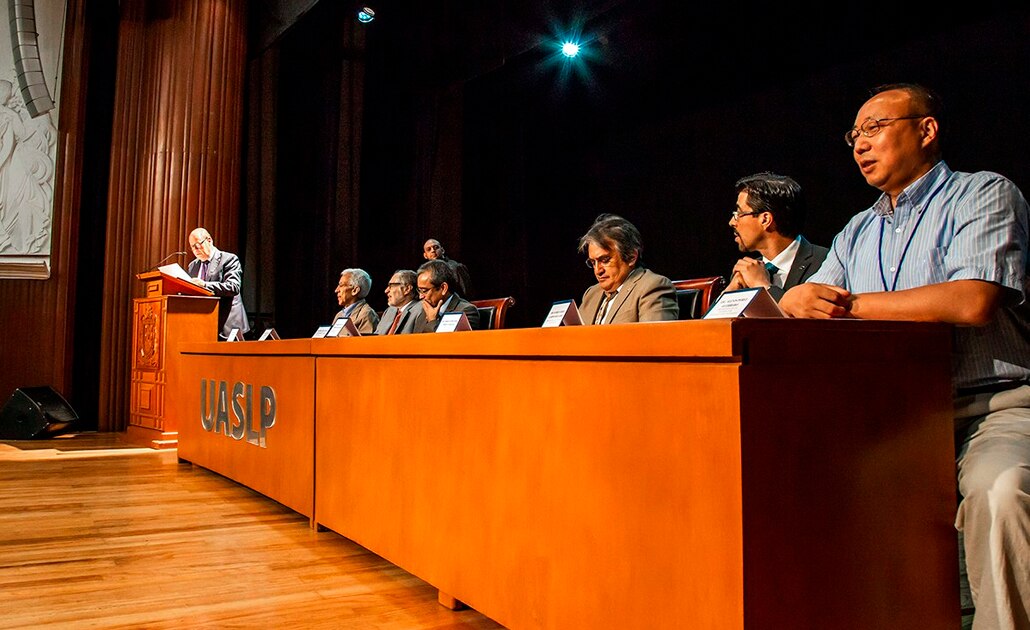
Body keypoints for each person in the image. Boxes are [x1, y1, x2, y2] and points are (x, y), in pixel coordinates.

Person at [779, 83, 1030, 630]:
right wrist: (794, 299)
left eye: (874, 128)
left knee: (1003, 491)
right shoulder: (855, 231)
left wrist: (851, 305)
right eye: (853, 136)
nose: (859, 145)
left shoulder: (983, 193)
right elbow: (811, 306)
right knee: (802, 492)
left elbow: (972, 299)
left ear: (926, 129)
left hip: (990, 403)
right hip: (894, 419)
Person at [724, 172, 828, 300]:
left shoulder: (824, 262)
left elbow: (808, 318)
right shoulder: (747, 271)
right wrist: (729, 293)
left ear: (765, 219)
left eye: (739, 214)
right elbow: (714, 321)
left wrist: (763, 286)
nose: (732, 222)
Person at [578, 213, 678, 324]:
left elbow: (654, 339)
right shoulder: (591, 294)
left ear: (631, 257)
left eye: (605, 260)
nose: (598, 270)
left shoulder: (652, 287)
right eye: (593, 262)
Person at [187, 227, 249, 340]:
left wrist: (205, 285)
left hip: (229, 326)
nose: (195, 250)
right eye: (192, 247)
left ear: (209, 240)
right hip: (204, 325)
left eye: (198, 244)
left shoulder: (229, 259)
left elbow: (233, 287)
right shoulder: (193, 266)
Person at [411, 259, 479, 333]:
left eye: (424, 291)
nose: (421, 296)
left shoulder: (466, 311)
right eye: (419, 290)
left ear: (443, 288)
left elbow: (450, 343)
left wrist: (432, 321)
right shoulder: (424, 310)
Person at [332, 268, 379, 334]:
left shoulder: (366, 315)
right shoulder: (339, 315)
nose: (336, 290)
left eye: (341, 285)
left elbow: (365, 343)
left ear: (355, 290)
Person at [374, 269, 421, 335]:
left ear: (407, 289)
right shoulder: (389, 311)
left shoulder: (420, 310)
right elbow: (376, 336)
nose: (386, 290)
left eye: (391, 286)